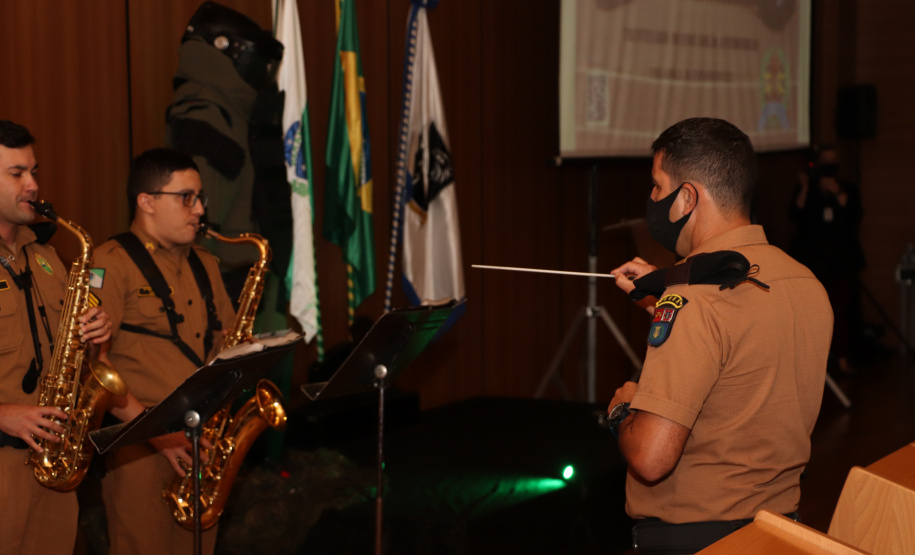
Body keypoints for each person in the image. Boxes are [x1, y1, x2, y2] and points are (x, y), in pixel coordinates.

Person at [606, 118, 833, 554]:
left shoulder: (694, 301)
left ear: (687, 197)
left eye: (657, 187)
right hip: (778, 535)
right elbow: (745, 360)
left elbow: (652, 460)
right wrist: (662, 303)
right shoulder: (805, 282)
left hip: (696, 541)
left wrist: (622, 410)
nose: (652, 199)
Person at [93, 148, 236, 554]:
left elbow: (227, 344)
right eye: (186, 197)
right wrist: (161, 436)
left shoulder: (206, 263)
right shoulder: (110, 263)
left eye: (200, 198)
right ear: (147, 201)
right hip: (140, 446)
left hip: (200, 442)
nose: (199, 210)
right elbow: (93, 368)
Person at [0, 119, 112, 554]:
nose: (33, 184)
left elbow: (73, 351)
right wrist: (4, 414)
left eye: (34, 171)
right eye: (16, 173)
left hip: (52, 465)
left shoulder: (48, 256)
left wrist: (96, 333)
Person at [789, 146, 865, 375]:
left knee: (840, 311)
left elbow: (856, 215)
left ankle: (842, 360)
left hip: (841, 262)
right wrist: (804, 186)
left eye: (833, 160)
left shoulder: (848, 188)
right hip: (811, 261)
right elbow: (794, 213)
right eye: (825, 160)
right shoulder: (809, 188)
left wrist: (837, 191)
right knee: (809, 313)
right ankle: (810, 364)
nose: (829, 164)